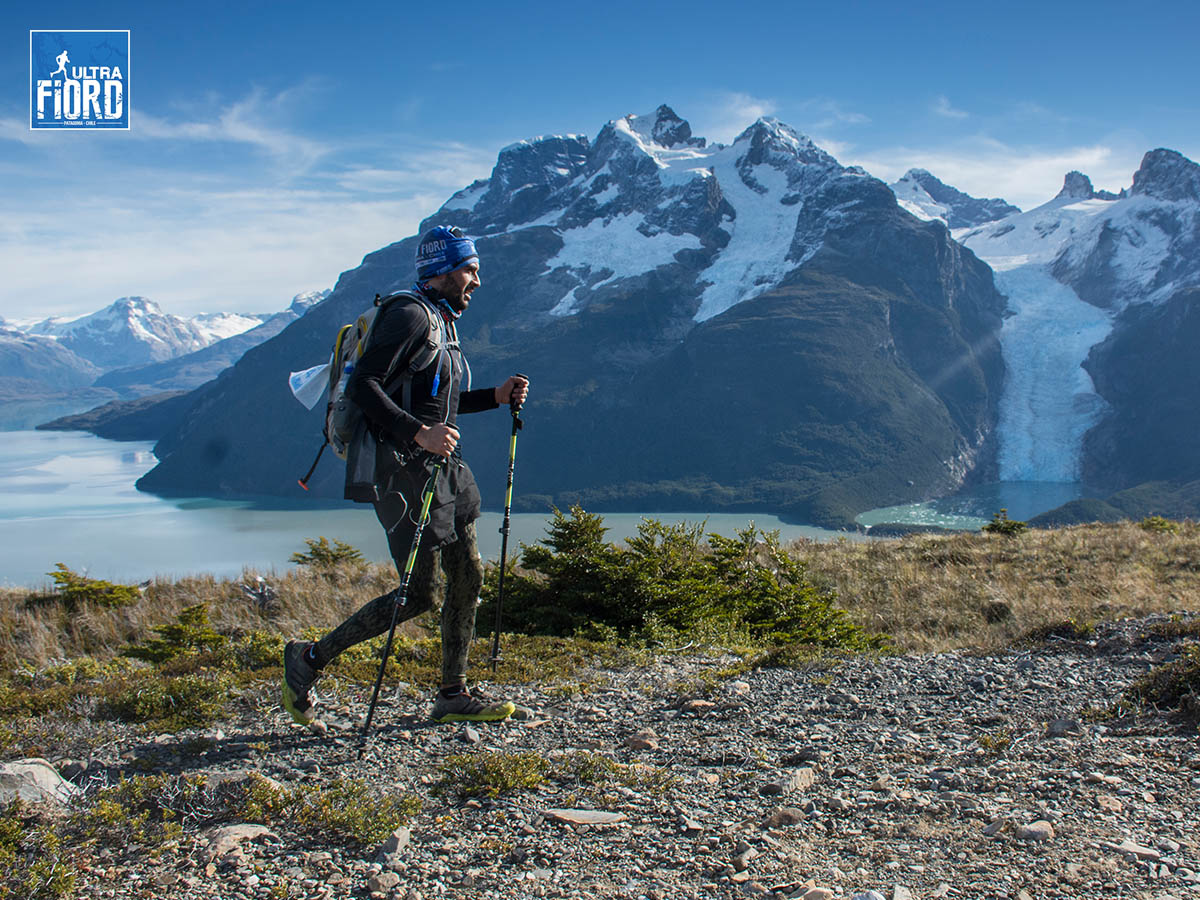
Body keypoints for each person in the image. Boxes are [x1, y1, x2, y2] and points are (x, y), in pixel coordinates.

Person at [283, 225, 530, 725]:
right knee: (420, 594)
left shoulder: (442, 320)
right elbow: (364, 387)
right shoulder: (410, 315)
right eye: (470, 270)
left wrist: (495, 396)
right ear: (443, 271)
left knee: (469, 574)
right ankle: (307, 659)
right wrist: (419, 434)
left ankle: (453, 694)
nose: (477, 281)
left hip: (440, 467)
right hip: (400, 472)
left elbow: (439, 401)